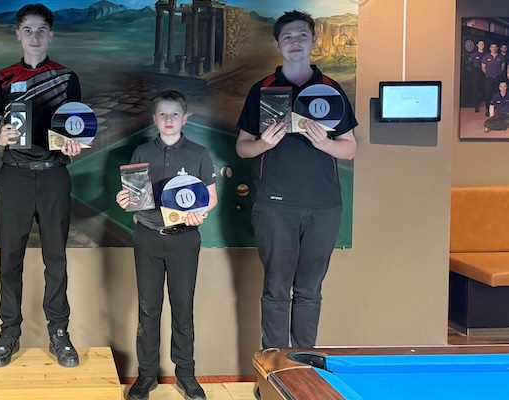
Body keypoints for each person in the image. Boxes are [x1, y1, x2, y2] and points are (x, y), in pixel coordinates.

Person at [235, 10, 357, 351]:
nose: (295, 42)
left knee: (309, 291)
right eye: (287, 36)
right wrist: (264, 143)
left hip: (324, 207)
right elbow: (243, 148)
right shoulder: (262, 90)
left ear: (313, 41)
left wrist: (324, 143)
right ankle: (275, 369)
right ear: (277, 45)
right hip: (274, 207)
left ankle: (303, 365)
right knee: (276, 290)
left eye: (302, 35)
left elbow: (349, 149)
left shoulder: (330, 89)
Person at [0, 3, 84, 368]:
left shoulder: (67, 77)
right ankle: (9, 332)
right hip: (15, 177)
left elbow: (76, 128)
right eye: (28, 30)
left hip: (54, 175)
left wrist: (74, 143)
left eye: (42, 30)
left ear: (51, 34)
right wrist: (0, 137)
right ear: (18, 34)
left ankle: (59, 332)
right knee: (10, 258)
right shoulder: (3, 77)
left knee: (56, 258)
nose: (35, 37)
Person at [115, 90, 218, 400]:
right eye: (163, 114)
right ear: (154, 119)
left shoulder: (199, 153)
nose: (169, 119)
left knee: (182, 309)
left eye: (175, 114)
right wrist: (124, 200)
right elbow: (133, 195)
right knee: (148, 309)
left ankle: (186, 374)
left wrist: (201, 212)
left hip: (185, 239)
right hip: (147, 237)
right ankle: (147, 375)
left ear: (185, 119)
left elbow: (211, 197)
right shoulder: (142, 151)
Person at [481, 43, 505, 117]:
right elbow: (483, 68)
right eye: (492, 47)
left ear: (497, 48)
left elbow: (502, 67)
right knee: (488, 94)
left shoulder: (501, 57)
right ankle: (488, 110)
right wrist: (489, 74)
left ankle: (498, 109)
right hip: (489, 78)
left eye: (495, 47)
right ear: (490, 48)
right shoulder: (486, 57)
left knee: (498, 94)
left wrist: (497, 73)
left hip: (498, 78)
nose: (494, 48)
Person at [469, 40, 487, 112]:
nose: (481, 45)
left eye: (482, 44)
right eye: (480, 44)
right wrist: (473, 71)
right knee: (475, 89)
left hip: (484, 73)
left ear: (484, 45)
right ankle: (476, 106)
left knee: (484, 89)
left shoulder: (486, 54)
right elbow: (469, 64)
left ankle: (483, 103)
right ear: (477, 45)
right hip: (476, 73)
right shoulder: (473, 54)